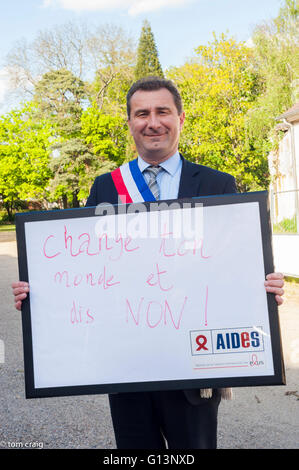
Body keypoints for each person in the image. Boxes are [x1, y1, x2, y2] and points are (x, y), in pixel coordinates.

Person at [12, 76, 285, 449]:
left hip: (193, 364)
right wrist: (39, 292)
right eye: (142, 113)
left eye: (162, 111)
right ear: (129, 123)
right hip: (126, 362)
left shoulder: (218, 185)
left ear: (181, 118)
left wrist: (262, 287)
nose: (152, 122)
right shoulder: (105, 188)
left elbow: (233, 261)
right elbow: (83, 270)